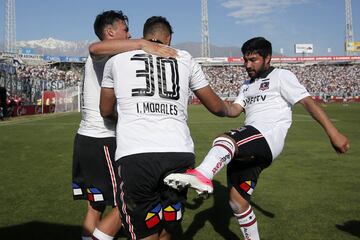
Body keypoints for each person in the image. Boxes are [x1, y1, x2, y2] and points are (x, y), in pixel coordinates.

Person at [164, 37, 350, 240]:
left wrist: (333, 133)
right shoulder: (246, 85)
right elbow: (234, 110)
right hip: (252, 143)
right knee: (237, 202)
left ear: (267, 58)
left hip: (267, 136)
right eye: (245, 60)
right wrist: (214, 101)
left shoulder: (282, 76)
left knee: (225, 140)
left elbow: (308, 103)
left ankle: (202, 174)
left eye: (253, 60)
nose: (247, 65)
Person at [100, 16, 227, 240]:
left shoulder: (117, 59)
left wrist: (128, 116)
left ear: (144, 35)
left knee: (144, 229)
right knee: (169, 224)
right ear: (169, 38)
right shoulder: (185, 58)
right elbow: (217, 107)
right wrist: (235, 109)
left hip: (136, 155)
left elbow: (106, 110)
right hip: (178, 152)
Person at [72, 10, 176, 240]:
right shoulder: (101, 54)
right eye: (125, 30)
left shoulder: (113, 58)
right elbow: (94, 48)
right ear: (110, 32)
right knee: (130, 200)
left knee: (95, 207)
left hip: (87, 140)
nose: (129, 34)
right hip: (103, 140)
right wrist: (142, 44)